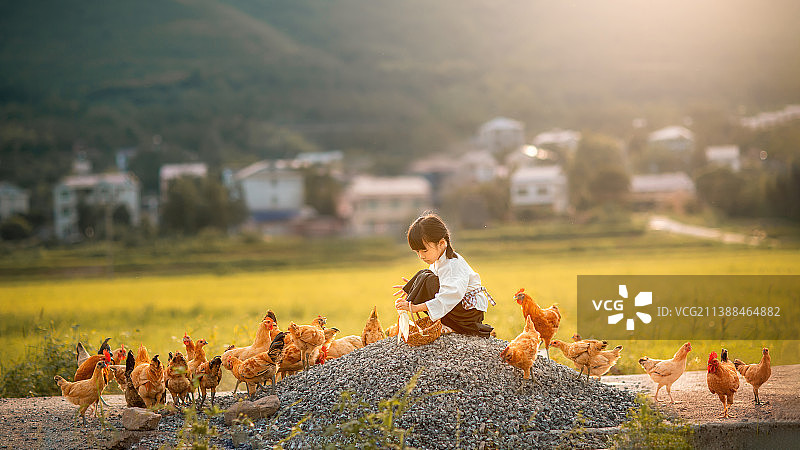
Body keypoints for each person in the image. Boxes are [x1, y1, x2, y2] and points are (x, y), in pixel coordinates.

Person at [393, 213, 495, 337]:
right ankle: (449, 324)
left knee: (427, 279)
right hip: (459, 310)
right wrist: (415, 286)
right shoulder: (439, 261)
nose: (421, 256)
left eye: (424, 250)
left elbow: (448, 297)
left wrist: (415, 308)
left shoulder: (452, 265)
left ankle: (454, 326)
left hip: (468, 315)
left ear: (442, 243)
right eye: (417, 252)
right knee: (424, 276)